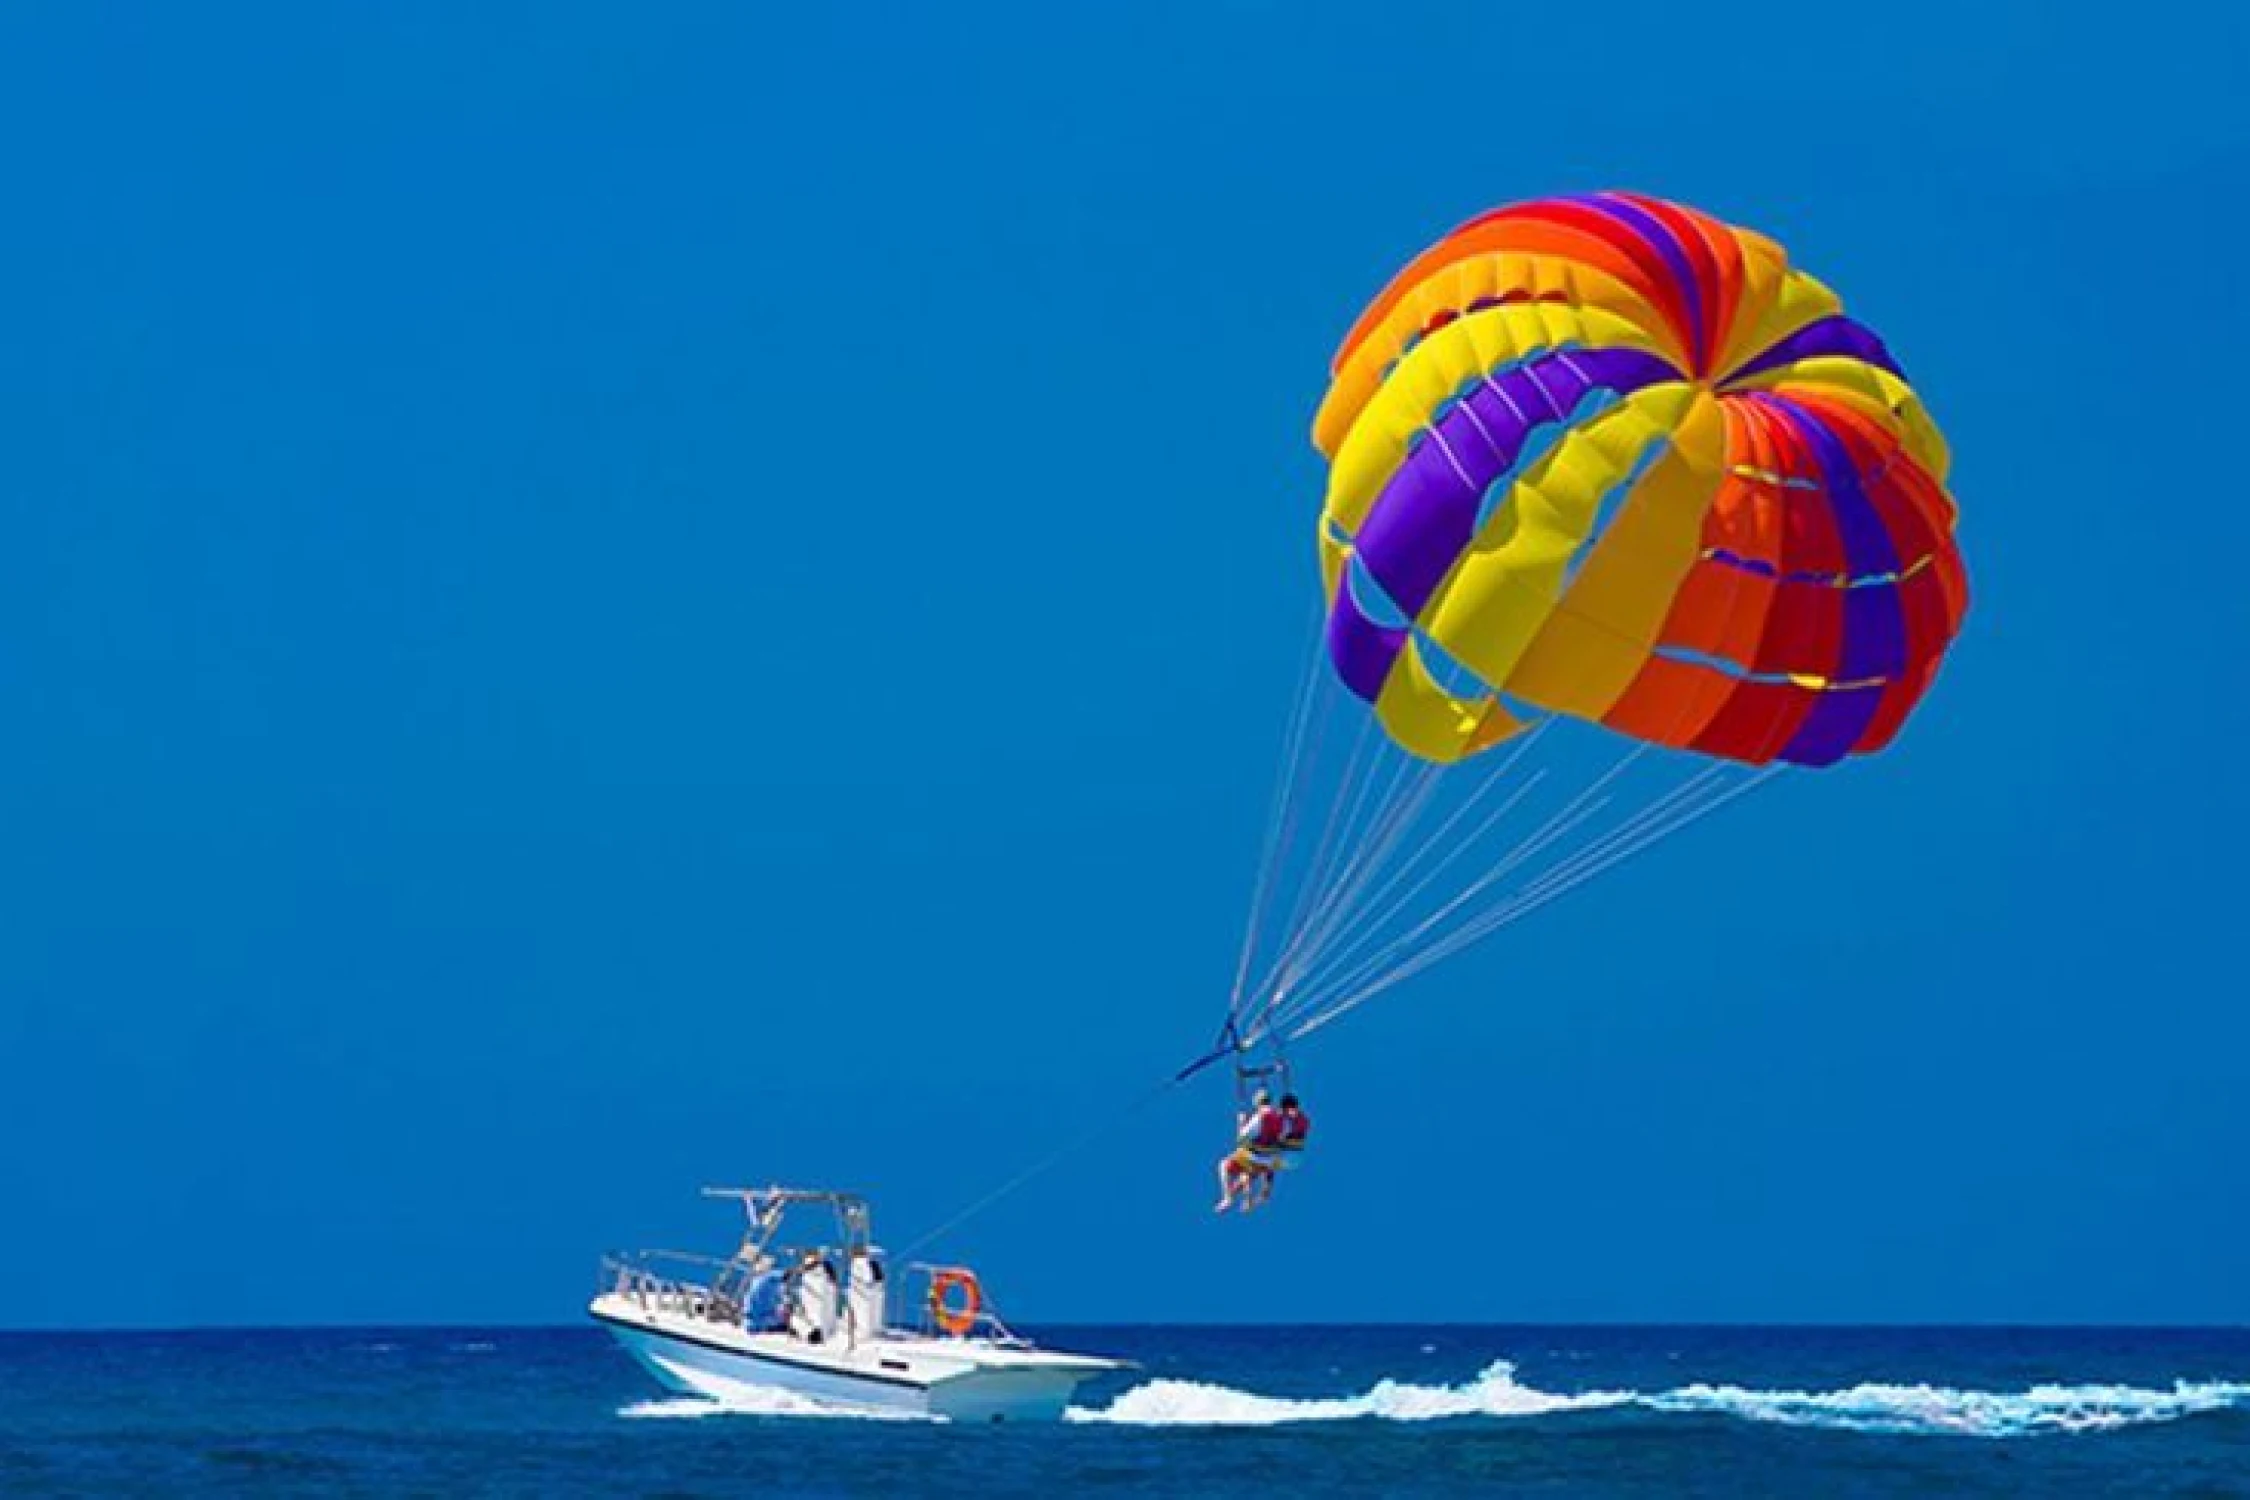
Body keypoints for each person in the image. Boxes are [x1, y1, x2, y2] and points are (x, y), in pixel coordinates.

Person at [1213, 1089, 1282, 1213]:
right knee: (1246, 1174)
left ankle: (1229, 1198)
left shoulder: (1259, 1117)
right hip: (1268, 1159)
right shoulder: (1279, 1116)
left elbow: (1241, 1138)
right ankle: (1247, 1196)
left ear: (1257, 1103)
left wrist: (1241, 1123)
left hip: (1255, 1155)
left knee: (1223, 1165)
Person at [1246, 1093, 1312, 1210]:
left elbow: (1281, 1136)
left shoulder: (1289, 1121)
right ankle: (1264, 1193)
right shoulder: (1303, 1119)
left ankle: (1256, 1195)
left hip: (1289, 1156)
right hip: (1295, 1158)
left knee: (1261, 1164)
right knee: (1268, 1165)